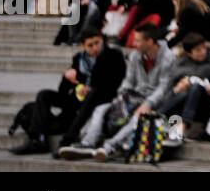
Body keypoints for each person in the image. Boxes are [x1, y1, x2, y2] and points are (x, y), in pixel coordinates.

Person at [57, 23, 178, 161]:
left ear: (150, 41)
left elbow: (163, 88)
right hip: (134, 98)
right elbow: (128, 81)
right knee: (101, 109)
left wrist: (147, 104)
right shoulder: (135, 56)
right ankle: (88, 144)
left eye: (138, 40)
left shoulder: (168, 58)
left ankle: (109, 147)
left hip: (158, 103)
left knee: (139, 117)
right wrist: (120, 97)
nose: (133, 43)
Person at [11, 27, 125, 155]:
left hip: (100, 98)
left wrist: (90, 88)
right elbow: (62, 92)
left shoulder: (114, 56)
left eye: (97, 43)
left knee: (93, 93)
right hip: (76, 101)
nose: (95, 48)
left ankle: (66, 141)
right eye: (90, 45)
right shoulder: (79, 59)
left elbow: (116, 83)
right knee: (44, 94)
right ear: (83, 46)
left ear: (102, 40)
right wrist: (67, 79)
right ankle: (38, 140)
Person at [159, 33, 210, 139]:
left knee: (195, 87)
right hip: (180, 102)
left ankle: (180, 125)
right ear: (189, 53)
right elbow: (168, 91)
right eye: (198, 50)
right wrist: (177, 89)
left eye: (203, 48)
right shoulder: (179, 65)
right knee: (183, 94)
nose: (203, 52)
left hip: (204, 103)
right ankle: (173, 126)